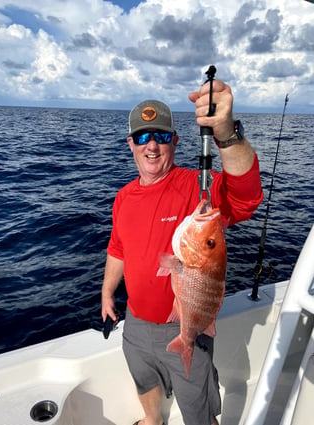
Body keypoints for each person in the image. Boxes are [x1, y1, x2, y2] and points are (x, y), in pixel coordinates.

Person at [101, 79, 263, 425]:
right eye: (143, 137)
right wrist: (106, 292)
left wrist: (226, 135)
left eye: (161, 136)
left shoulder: (195, 189)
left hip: (186, 324)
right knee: (145, 381)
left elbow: (244, 198)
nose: (152, 146)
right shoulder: (123, 197)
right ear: (131, 144)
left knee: (198, 410)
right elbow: (118, 248)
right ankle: (152, 419)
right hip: (135, 322)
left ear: (174, 141)